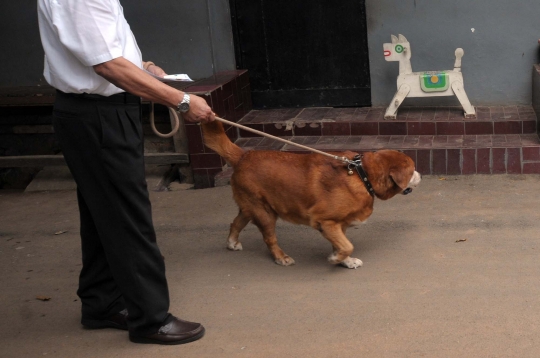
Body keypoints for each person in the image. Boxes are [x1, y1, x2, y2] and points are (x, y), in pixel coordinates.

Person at [37, 0, 215, 345]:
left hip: (97, 111)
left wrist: (142, 66)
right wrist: (179, 100)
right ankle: (150, 319)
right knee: (126, 216)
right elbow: (107, 65)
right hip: (99, 114)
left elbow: (103, 49)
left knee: (101, 210)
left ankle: (101, 302)